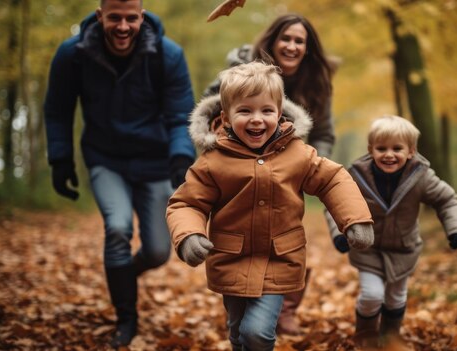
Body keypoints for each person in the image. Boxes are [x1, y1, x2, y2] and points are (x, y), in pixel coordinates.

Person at [166, 61, 374, 351]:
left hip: (279, 259)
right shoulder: (213, 162)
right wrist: (189, 235)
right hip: (230, 260)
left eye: (266, 111)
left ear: (279, 112)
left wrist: (355, 219)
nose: (257, 119)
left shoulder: (296, 153)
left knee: (257, 333)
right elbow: (187, 203)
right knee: (238, 333)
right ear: (225, 117)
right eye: (245, 111)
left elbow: (332, 179)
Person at [43, 0, 196, 347]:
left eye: (131, 18)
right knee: (117, 228)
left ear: (142, 17)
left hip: (155, 161)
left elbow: (180, 115)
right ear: (100, 17)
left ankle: (123, 274)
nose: (123, 26)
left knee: (158, 251)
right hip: (105, 158)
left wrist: (180, 159)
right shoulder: (73, 54)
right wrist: (60, 159)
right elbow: (57, 109)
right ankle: (126, 318)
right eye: (115, 18)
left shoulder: (167, 55)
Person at [203, 13, 338, 335]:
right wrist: (214, 157)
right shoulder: (242, 70)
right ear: (272, 40)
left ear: (308, 48)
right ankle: (241, 303)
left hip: (289, 172)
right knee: (240, 232)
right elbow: (209, 109)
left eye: (299, 41)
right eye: (286, 38)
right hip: (236, 167)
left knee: (287, 237)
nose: (291, 46)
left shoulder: (316, 81)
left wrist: (308, 165)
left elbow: (325, 133)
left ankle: (285, 309)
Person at [325, 115, 457, 349]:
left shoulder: (421, 176)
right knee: (372, 295)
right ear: (371, 149)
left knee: (395, 297)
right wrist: (340, 233)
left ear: (411, 151)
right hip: (367, 248)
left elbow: (447, 200)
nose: (388, 154)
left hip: (404, 249)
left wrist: (456, 229)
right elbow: (336, 203)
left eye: (397, 148)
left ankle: (390, 337)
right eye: (381, 148)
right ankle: (366, 336)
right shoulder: (357, 176)